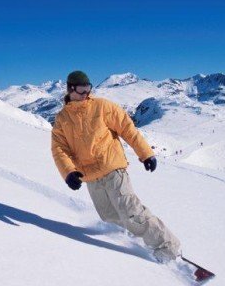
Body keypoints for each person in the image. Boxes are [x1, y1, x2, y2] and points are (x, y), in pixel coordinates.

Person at [51, 70, 181, 263]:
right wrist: (68, 172)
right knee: (109, 217)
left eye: (89, 88)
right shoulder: (62, 118)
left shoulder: (102, 107)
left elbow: (128, 129)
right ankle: (132, 242)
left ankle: (167, 248)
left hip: (113, 170)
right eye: (81, 89)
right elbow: (59, 148)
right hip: (90, 177)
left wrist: (145, 153)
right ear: (70, 89)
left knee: (131, 212)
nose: (86, 93)